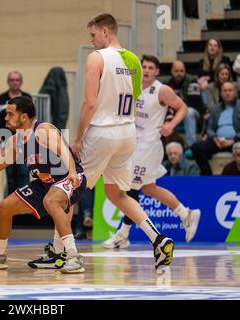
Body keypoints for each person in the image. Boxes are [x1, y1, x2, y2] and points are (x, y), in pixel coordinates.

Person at [71, 14, 174, 273]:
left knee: (68, 189)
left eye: (93, 35)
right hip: (127, 134)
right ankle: (158, 240)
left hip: (102, 132)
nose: (91, 40)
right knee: (117, 194)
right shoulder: (133, 62)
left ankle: (63, 252)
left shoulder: (96, 57)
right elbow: (135, 98)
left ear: (105, 32)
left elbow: (89, 102)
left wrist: (78, 136)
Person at [0, 96, 87, 274]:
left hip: (70, 176)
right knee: (3, 207)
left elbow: (64, 152)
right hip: (45, 183)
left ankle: (74, 257)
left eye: (10, 113)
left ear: (24, 117)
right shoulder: (16, 142)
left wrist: (73, 173)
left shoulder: (42, 130)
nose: (5, 118)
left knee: (51, 201)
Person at [102, 55, 201, 250]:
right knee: (148, 188)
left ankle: (123, 234)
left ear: (156, 71)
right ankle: (185, 213)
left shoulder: (161, 90)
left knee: (131, 189)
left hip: (149, 146)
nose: (146, 70)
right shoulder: (132, 86)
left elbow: (183, 108)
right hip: (133, 145)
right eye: (143, 66)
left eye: (150, 67)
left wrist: (171, 125)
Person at [0, 71, 31, 196]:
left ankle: (24, 207)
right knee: (11, 176)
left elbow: (32, 119)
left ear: (21, 82)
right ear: (8, 82)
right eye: (12, 80)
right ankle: (10, 205)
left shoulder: (27, 98)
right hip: (7, 143)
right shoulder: (0, 99)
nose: (15, 82)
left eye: (17, 80)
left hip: (24, 142)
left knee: (24, 173)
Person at [191, 82, 240, 175]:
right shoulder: (216, 108)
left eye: (230, 90)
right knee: (196, 147)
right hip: (218, 141)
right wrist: (215, 138)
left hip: (236, 142)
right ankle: (208, 176)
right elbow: (209, 128)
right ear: (221, 93)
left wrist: (233, 140)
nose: (227, 93)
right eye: (225, 91)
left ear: (235, 92)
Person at [166, 60, 205, 146]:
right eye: (176, 71)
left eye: (181, 71)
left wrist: (176, 109)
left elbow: (193, 102)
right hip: (176, 113)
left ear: (185, 71)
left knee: (188, 111)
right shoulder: (168, 84)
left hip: (194, 113)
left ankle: (191, 146)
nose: (179, 73)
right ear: (171, 71)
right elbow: (167, 104)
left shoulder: (192, 81)